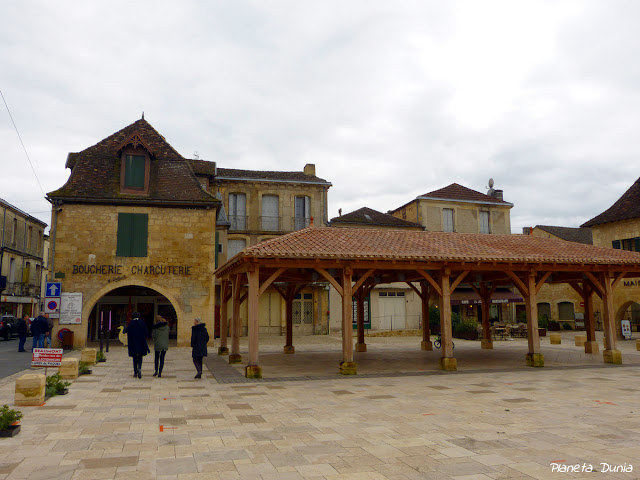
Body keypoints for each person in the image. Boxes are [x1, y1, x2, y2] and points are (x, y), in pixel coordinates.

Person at [124, 311, 149, 378]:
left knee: (134, 357)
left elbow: (126, 331)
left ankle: (135, 372)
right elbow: (146, 332)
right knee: (140, 357)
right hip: (141, 342)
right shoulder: (142, 323)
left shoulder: (130, 323)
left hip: (133, 343)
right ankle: (139, 368)